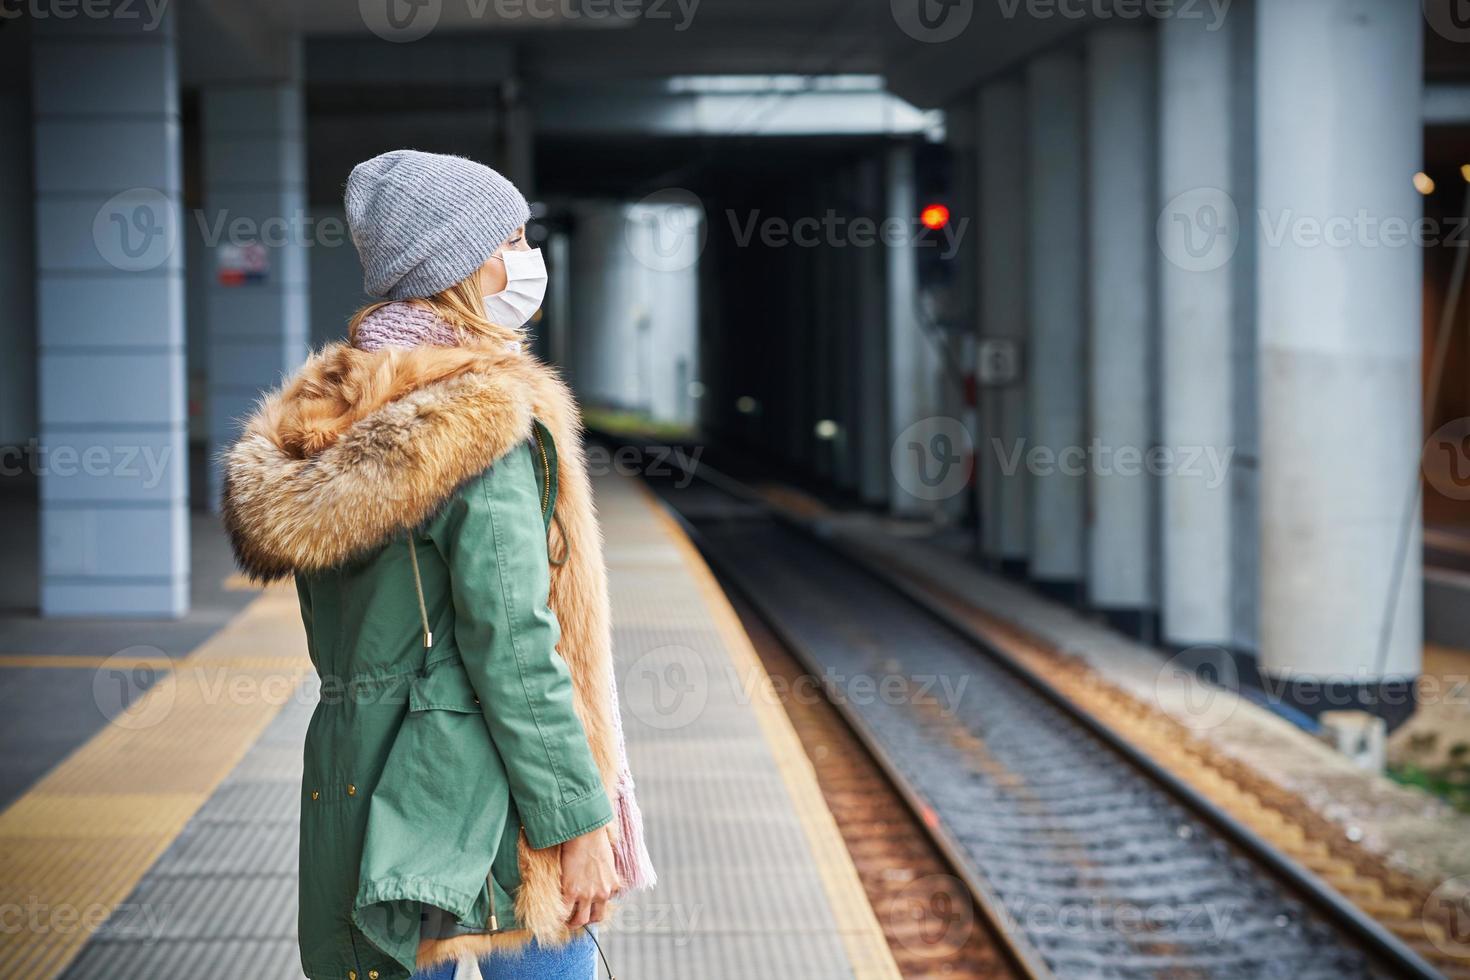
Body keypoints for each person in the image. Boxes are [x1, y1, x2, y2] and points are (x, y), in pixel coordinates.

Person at [221, 149, 655, 980]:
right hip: (486, 804)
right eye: (514, 239)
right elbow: (515, 644)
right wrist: (578, 823)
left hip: (361, 785)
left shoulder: (332, 414)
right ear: (461, 267)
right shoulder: (478, 419)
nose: (530, 258)